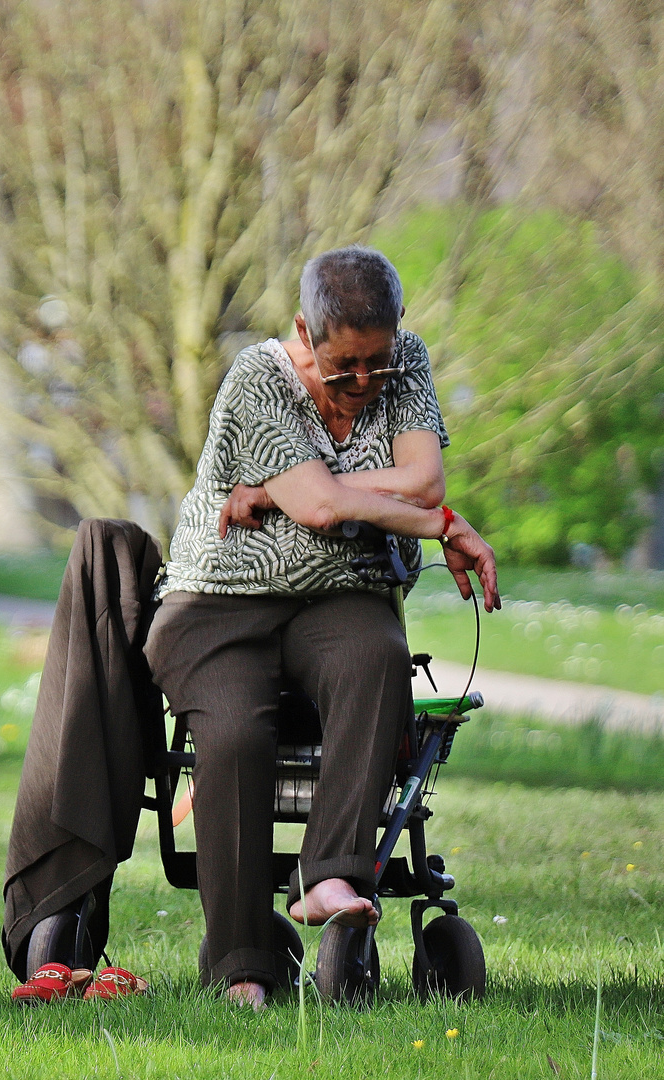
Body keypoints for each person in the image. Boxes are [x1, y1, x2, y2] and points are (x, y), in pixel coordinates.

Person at [143, 246, 500, 1010]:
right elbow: (322, 509)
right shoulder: (256, 379)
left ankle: (333, 872)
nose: (365, 382)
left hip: (343, 593)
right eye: (345, 367)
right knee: (236, 733)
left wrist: (300, 487)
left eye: (378, 361)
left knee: (376, 653)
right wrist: (410, 515)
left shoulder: (407, 364)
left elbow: (423, 478)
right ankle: (242, 963)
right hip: (219, 602)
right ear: (305, 333)